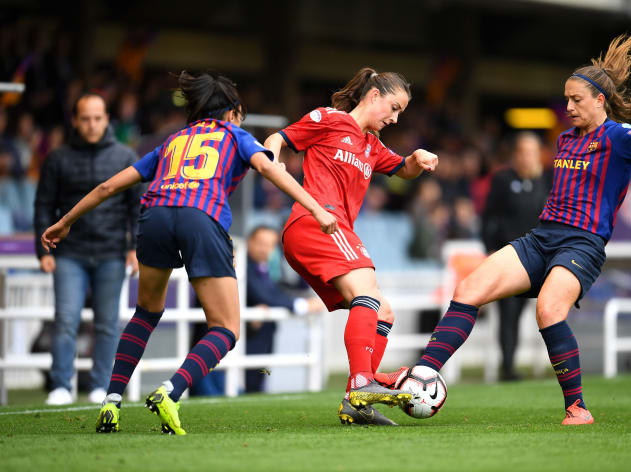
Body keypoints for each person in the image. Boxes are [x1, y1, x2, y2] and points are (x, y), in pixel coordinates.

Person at [377, 33, 631, 425]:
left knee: (549, 310)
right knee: (469, 289)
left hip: (582, 243)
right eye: (567, 99)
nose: (568, 106)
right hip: (541, 237)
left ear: (599, 101)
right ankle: (421, 373)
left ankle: (578, 407)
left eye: (576, 100)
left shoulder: (618, 138)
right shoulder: (566, 139)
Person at [41, 71, 337, 435]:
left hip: (154, 217)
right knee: (226, 328)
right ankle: (171, 390)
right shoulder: (235, 135)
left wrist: (66, 221)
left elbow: (107, 186)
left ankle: (111, 401)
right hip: (200, 217)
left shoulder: (172, 141)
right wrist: (318, 210)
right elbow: (269, 170)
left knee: (146, 312)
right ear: (233, 112)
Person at [264, 67, 439, 426]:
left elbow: (402, 169)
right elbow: (279, 137)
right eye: (393, 108)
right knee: (368, 294)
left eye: (400, 113)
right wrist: (272, 158)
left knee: (383, 311)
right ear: (373, 96)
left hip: (328, 231)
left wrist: (417, 160)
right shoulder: (330, 120)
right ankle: (362, 382)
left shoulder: (372, 146)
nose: (394, 118)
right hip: (315, 222)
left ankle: (356, 403)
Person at [34, 92, 141, 406]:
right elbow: (43, 207)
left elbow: (136, 207)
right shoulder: (57, 158)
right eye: (85, 118)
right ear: (75, 121)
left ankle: (102, 386)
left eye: (97, 118)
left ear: (107, 119)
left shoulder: (125, 157)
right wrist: (44, 251)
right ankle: (60, 386)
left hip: (111, 252)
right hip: (69, 254)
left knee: (107, 323)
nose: (92, 124)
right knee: (65, 320)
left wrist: (134, 248)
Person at [481, 132, 552, 380]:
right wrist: (489, 249)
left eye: (532, 152)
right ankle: (508, 367)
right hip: (509, 258)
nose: (527, 157)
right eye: (522, 152)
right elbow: (487, 217)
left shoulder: (547, 180)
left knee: (551, 309)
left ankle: (561, 365)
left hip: (541, 258)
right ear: (515, 154)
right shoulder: (502, 179)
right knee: (509, 312)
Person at [244, 225, 325, 393]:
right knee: (247, 381)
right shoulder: (243, 265)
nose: (265, 249)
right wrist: (301, 305)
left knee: (257, 380)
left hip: (261, 332)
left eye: (270, 244)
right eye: (260, 243)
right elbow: (263, 294)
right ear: (249, 242)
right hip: (246, 334)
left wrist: (299, 302)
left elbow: (272, 293)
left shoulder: (264, 267)